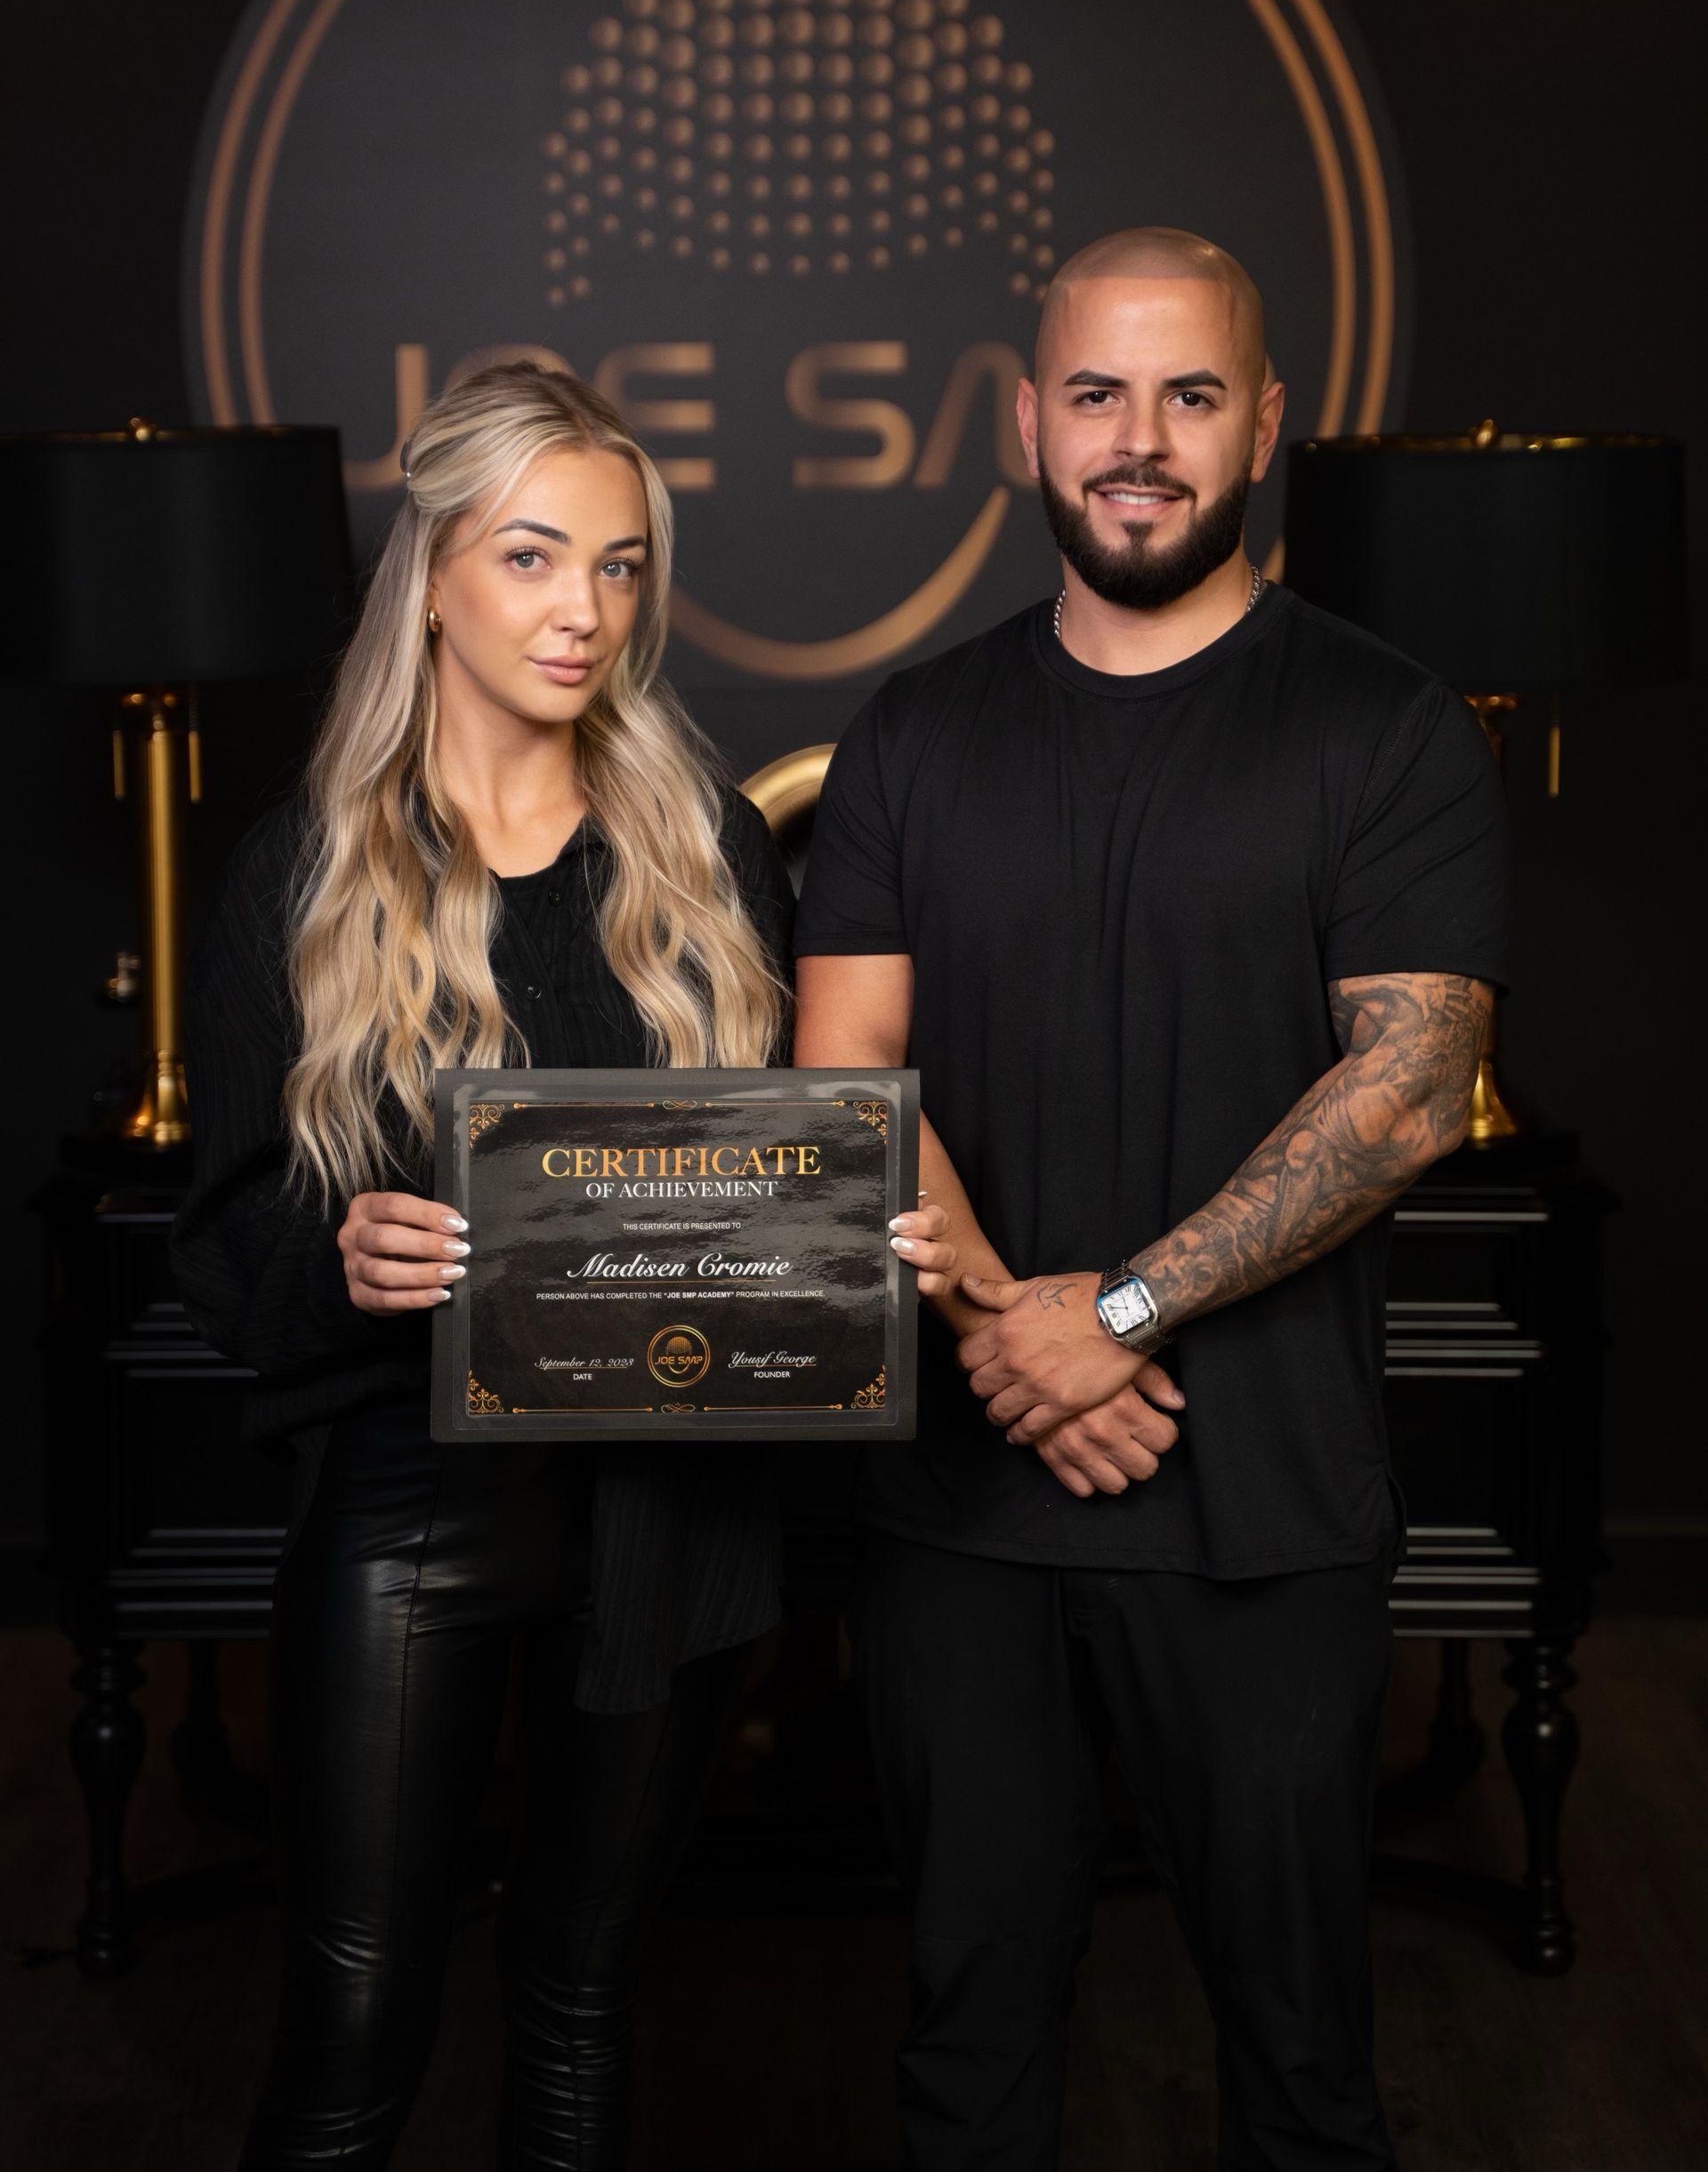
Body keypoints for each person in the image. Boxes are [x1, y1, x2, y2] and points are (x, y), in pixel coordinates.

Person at [171, 359, 951, 2170]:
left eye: (618, 568)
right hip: (413, 1504)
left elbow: (769, 1190)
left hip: (674, 1508)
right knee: (355, 2024)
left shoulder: (708, 852)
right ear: (432, 571)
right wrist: (348, 1254)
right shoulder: (297, 873)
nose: (583, 613)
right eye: (532, 559)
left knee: (584, 2001)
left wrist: (856, 1244)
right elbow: (222, 1247)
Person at [794, 229, 1510, 2171]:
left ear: (1265, 423)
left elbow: (1413, 1089)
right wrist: (1002, 1330)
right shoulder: (915, 733)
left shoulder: (1382, 728)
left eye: (1191, 394)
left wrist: (1103, 1321)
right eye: (1097, 394)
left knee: (1300, 2063)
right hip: (962, 1510)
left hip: (1263, 1515)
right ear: (1026, 424)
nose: (1139, 439)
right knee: (965, 2051)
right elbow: (848, 1082)